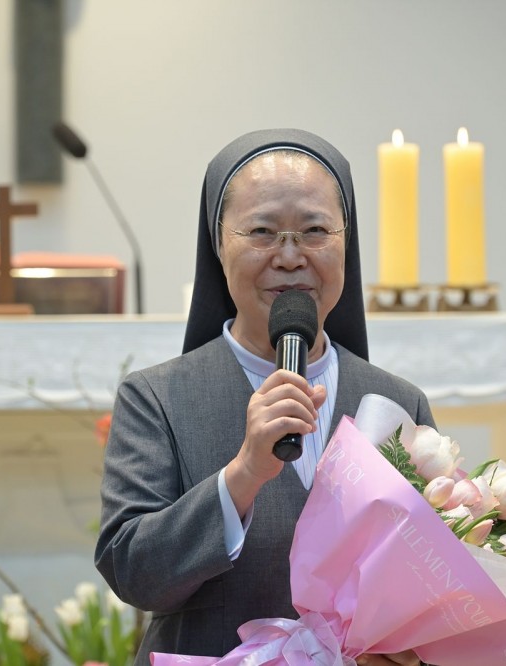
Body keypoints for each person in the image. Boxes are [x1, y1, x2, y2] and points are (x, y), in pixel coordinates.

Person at [95, 129, 436, 666]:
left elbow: (429, 582)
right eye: (262, 232)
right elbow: (133, 574)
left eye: (315, 230)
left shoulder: (397, 403)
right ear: (218, 245)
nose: (291, 256)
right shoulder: (156, 399)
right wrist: (245, 474)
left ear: (346, 242)